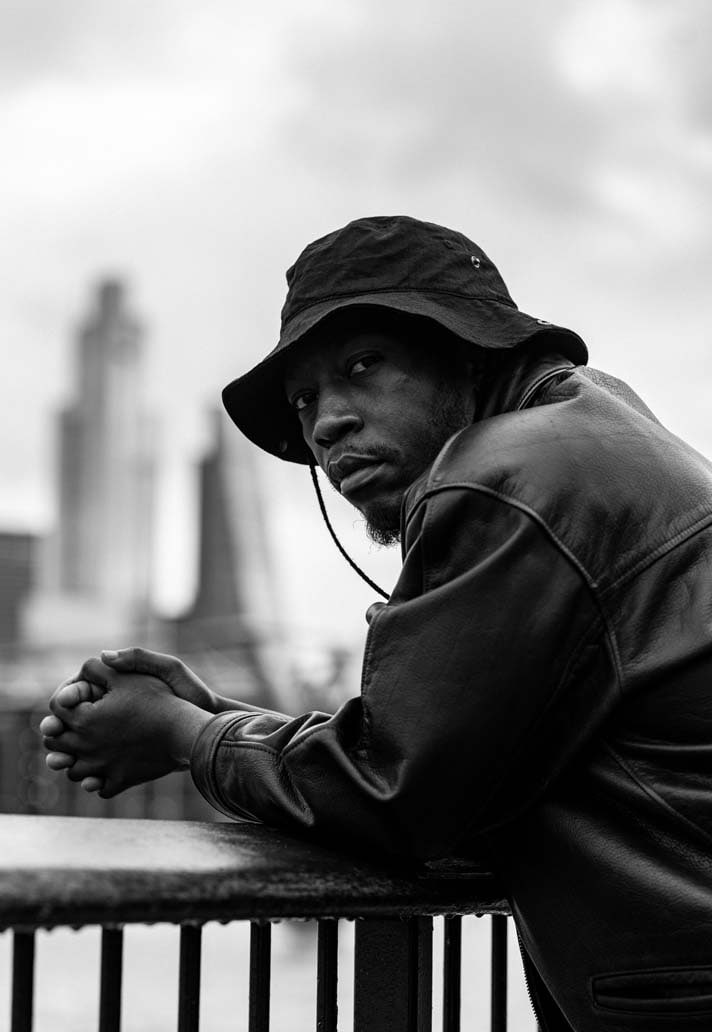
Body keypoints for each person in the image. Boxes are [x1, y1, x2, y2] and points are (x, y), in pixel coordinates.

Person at [40, 215, 712, 1032]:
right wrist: (218, 717)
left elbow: (397, 796)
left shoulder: (508, 478)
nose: (327, 423)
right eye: (305, 399)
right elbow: (461, 757)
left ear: (468, 352)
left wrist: (184, 736)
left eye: (362, 366)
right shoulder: (597, 430)